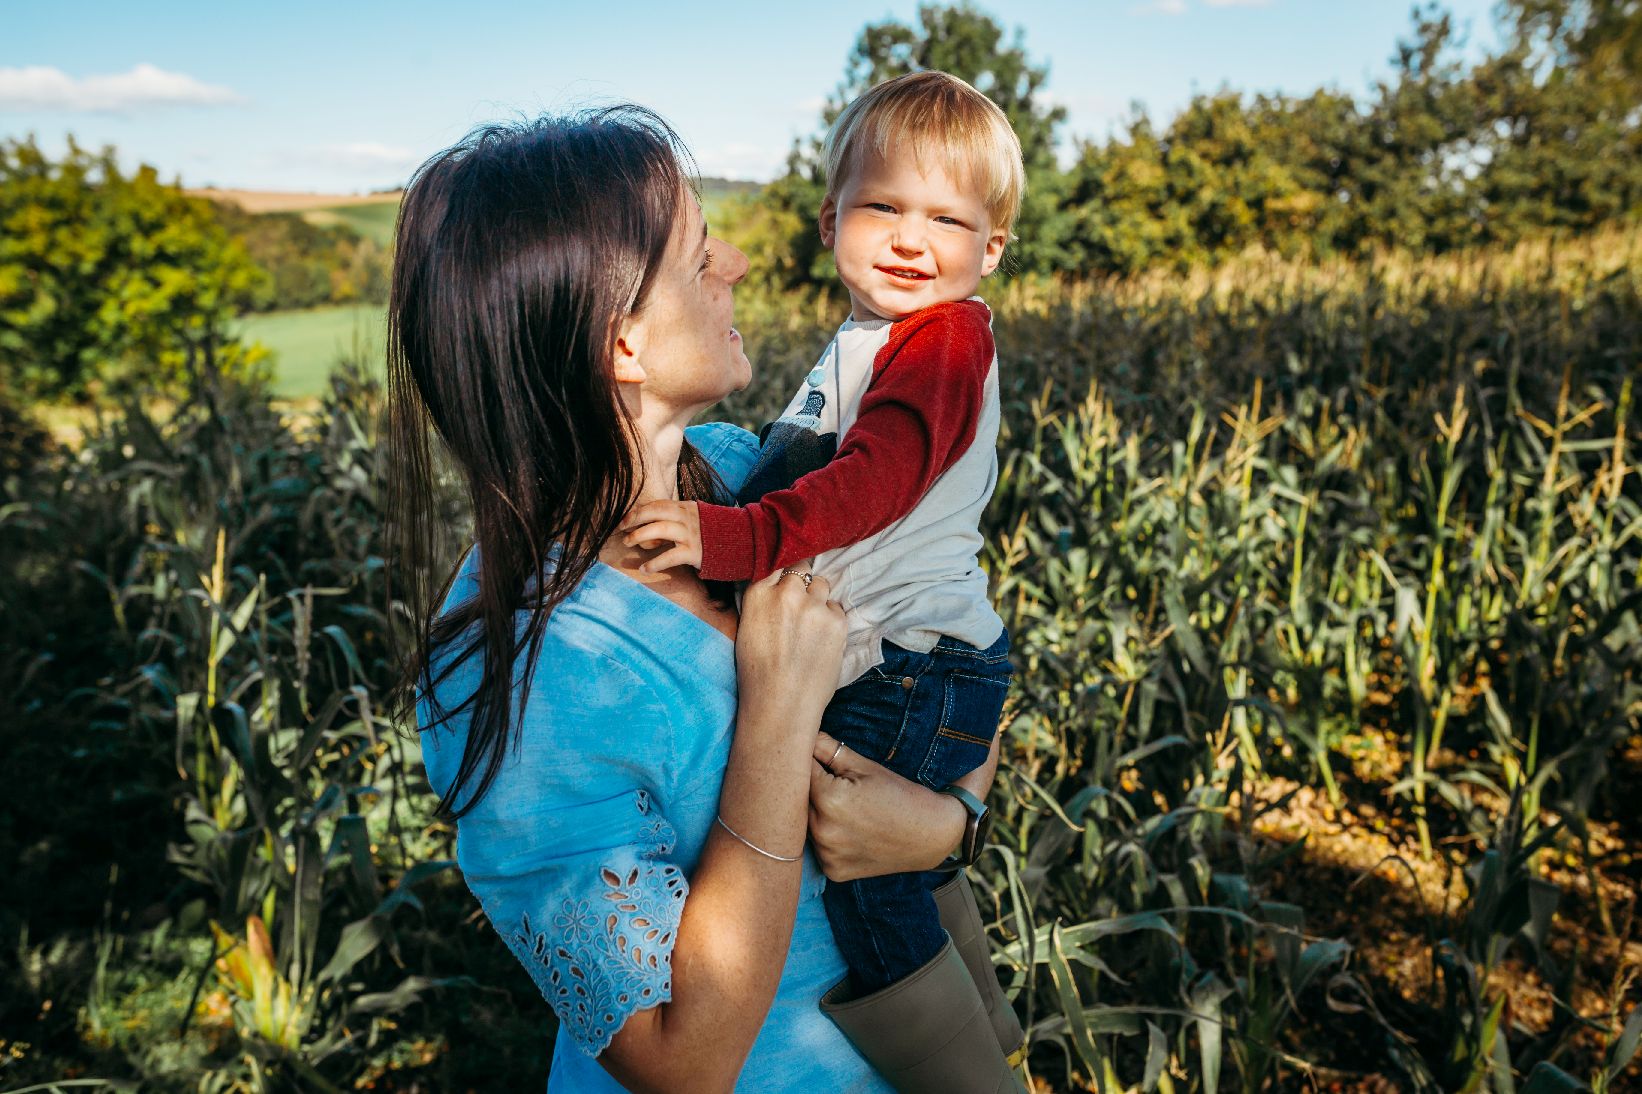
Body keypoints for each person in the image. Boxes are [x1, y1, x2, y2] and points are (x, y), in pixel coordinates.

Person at [385, 106, 1010, 1094]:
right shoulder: (527, 669)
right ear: (623, 342)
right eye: (698, 254)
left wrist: (946, 825)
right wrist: (778, 718)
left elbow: (959, 654)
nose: (738, 265)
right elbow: (679, 1064)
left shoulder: (744, 475)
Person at [622, 72, 1027, 1089]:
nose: (910, 239)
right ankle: (988, 1032)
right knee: (892, 867)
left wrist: (736, 539)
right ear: (829, 220)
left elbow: (873, 481)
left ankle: (973, 1073)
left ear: (990, 251)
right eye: (883, 206)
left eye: (946, 219)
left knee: (873, 892)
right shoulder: (871, 343)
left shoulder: (944, 339)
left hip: (913, 660)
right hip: (911, 654)